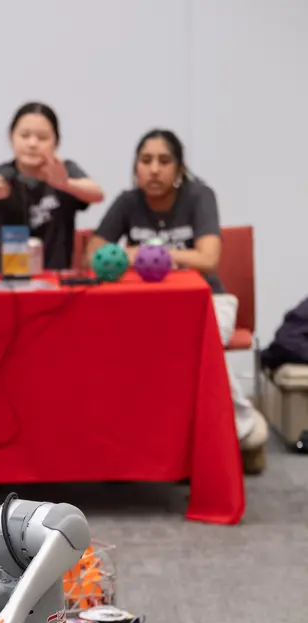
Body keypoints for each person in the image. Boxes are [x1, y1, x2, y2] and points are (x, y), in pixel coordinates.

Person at [87, 128, 268, 475]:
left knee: (203, 346)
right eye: (146, 161)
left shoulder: (200, 197)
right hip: (151, 305)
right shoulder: (128, 201)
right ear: (136, 167)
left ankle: (246, 431)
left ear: (179, 170)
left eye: (164, 161)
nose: (154, 169)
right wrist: (134, 253)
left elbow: (208, 258)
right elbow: (93, 253)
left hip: (209, 298)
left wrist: (155, 253)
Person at [0, 102, 104, 272]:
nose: (32, 144)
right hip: (5, 281)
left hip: (55, 280)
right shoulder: (2, 173)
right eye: (24, 135)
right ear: (11, 138)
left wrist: (66, 184)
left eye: (42, 138)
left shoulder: (63, 171)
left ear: (56, 143)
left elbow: (97, 194)